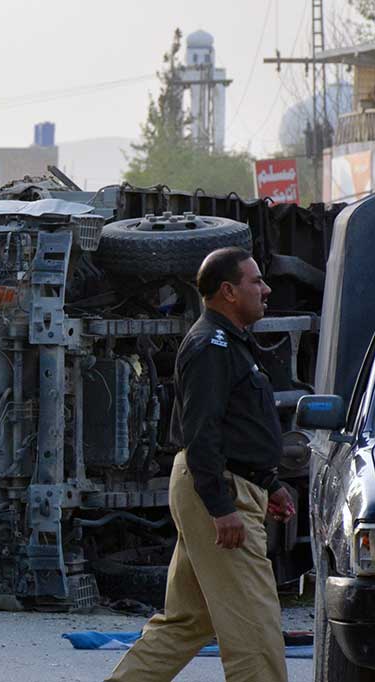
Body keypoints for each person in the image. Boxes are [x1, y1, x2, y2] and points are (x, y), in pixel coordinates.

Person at [106, 247, 296, 682]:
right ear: (228, 291)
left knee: (187, 621)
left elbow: (236, 426)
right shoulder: (210, 345)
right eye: (256, 281)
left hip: (224, 483)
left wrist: (269, 482)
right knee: (255, 630)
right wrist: (220, 506)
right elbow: (201, 431)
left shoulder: (231, 343)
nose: (266, 290)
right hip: (219, 488)